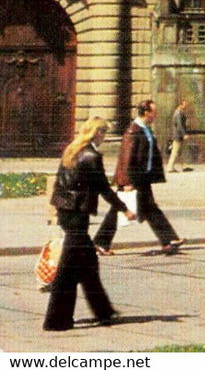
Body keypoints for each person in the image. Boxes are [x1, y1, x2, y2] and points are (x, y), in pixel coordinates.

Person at [43, 116, 136, 331]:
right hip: (77, 215)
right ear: (98, 133)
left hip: (66, 211)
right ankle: (56, 320)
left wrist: (56, 209)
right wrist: (125, 209)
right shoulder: (91, 156)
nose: (103, 137)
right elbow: (104, 188)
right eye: (103, 133)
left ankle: (104, 311)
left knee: (88, 265)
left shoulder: (73, 149)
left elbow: (59, 182)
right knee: (67, 271)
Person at [94, 99, 183, 255]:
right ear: (146, 112)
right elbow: (127, 157)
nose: (155, 115)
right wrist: (127, 181)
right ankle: (101, 243)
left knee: (150, 208)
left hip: (142, 178)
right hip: (133, 179)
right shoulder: (133, 130)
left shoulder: (145, 129)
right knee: (119, 209)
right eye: (154, 111)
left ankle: (168, 241)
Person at [166, 98, 190, 173]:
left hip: (178, 134)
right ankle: (170, 167)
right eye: (185, 104)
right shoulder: (178, 113)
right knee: (175, 151)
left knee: (180, 151)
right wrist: (184, 134)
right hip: (178, 135)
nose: (186, 106)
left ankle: (184, 166)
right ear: (180, 105)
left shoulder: (179, 112)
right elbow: (179, 125)